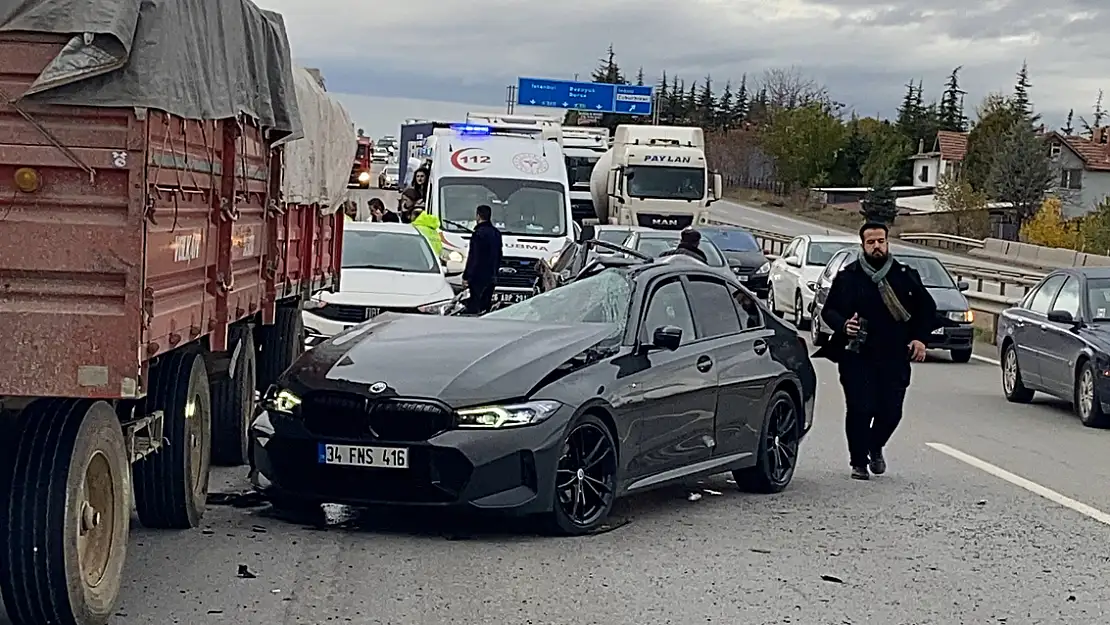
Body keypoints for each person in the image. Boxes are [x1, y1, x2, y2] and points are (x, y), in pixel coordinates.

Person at [816, 221, 937, 481]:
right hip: (857, 354)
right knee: (860, 408)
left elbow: (926, 309)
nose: (877, 246)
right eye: (871, 242)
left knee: (891, 411)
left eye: (881, 241)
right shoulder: (848, 276)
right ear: (863, 245)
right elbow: (829, 310)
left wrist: (919, 339)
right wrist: (843, 325)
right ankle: (858, 461)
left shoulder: (904, 275)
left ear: (887, 242)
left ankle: (875, 445)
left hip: (894, 355)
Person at [462, 204, 502, 314]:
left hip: (477, 277)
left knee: (474, 306)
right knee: (486, 306)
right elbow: (499, 255)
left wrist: (467, 275)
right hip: (491, 276)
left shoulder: (478, 234)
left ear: (478, 216)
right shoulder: (496, 234)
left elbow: (474, 257)